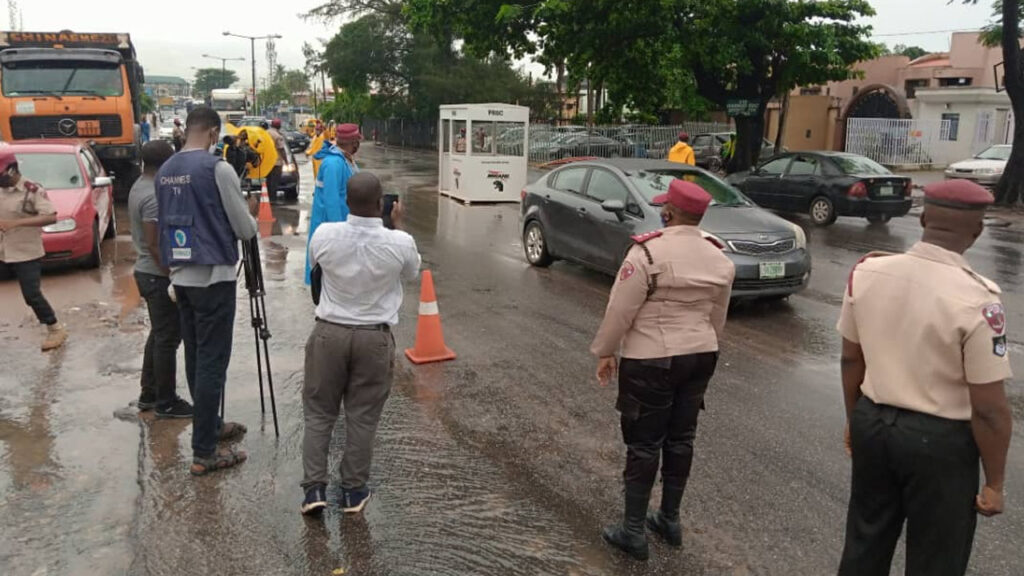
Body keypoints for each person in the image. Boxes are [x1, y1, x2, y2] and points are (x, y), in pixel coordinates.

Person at [836, 179, 1013, 576]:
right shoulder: (978, 299)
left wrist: (854, 419)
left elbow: (851, 360)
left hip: (873, 424)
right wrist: (995, 482)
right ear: (978, 230)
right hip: (940, 443)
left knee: (865, 541)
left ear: (924, 218)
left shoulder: (868, 273)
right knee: (937, 558)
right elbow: (988, 409)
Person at [590, 178, 734, 561]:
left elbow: (620, 311)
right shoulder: (720, 257)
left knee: (644, 443)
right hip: (701, 354)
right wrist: (703, 344)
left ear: (668, 212)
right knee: (681, 437)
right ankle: (669, 520)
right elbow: (718, 315)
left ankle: (633, 531)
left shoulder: (646, 254)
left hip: (651, 359)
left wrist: (606, 352)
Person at [300, 171, 421, 516]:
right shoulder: (400, 242)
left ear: (348, 201)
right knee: (362, 417)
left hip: (328, 334)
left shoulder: (324, 234)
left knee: (320, 413)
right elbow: (411, 274)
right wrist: (395, 226)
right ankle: (353, 493)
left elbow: (315, 268)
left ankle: (313, 491)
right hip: (374, 338)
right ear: (383, 203)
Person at [155, 106, 257, 476]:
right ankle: (205, 451)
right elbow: (244, 229)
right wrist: (251, 213)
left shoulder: (165, 170)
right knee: (213, 362)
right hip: (213, 277)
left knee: (196, 356)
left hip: (180, 278)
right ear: (214, 132)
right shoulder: (218, 169)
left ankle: (210, 425)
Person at [128, 139, 193, 418]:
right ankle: (166, 401)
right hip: (156, 274)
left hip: (147, 271)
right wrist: (173, 276)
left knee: (159, 334)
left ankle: (150, 392)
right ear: (167, 164)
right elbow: (154, 244)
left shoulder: (139, 184)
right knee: (168, 339)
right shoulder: (154, 194)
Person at [0, 151, 67, 351]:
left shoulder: (32, 190)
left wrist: (15, 224)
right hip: (2, 249)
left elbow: (50, 217)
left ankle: (54, 328)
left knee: (31, 294)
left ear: (11, 171)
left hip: (25, 251)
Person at [305, 123, 362, 285]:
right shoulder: (333, 164)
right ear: (354, 142)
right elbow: (331, 202)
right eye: (358, 141)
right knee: (330, 279)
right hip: (332, 230)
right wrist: (340, 234)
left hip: (344, 227)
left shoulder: (345, 160)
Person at [267, 118, 289, 198]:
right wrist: (286, 161)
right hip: (276, 162)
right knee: (274, 182)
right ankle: (272, 198)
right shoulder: (277, 136)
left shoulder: (266, 133)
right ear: (279, 126)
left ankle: (268, 196)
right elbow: (281, 149)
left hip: (267, 162)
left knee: (268, 181)